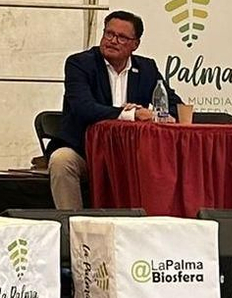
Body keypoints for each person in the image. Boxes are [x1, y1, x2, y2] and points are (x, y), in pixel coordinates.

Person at [48, 11, 181, 211]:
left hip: (130, 154)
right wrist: (129, 114)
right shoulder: (80, 64)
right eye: (109, 34)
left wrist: (153, 114)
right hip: (85, 151)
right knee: (61, 161)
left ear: (135, 44)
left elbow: (174, 105)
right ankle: (71, 228)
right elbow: (84, 108)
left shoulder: (146, 68)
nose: (112, 41)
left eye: (121, 37)